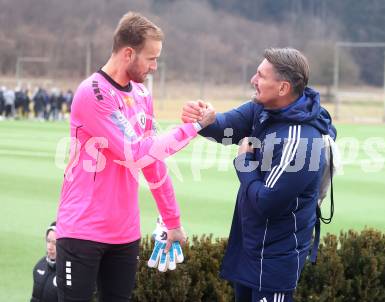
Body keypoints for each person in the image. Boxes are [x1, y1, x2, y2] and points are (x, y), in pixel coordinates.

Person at [55, 11, 214, 302]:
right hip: (82, 231)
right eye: (151, 58)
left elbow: (153, 163)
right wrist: (194, 127)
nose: (155, 67)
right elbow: (137, 153)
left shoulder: (142, 95)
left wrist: (172, 221)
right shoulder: (93, 93)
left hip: (125, 234)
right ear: (128, 53)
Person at [182, 48, 337, 302]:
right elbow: (224, 127)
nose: (253, 80)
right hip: (250, 250)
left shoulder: (301, 142)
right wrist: (203, 119)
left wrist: (244, 162)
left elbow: (267, 202)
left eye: (261, 75)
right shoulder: (263, 109)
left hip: (274, 262)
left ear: (283, 88)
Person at [31, 222, 58, 302]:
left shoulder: (69, 273)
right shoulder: (39, 266)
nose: (50, 247)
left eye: (55, 243)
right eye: (48, 241)